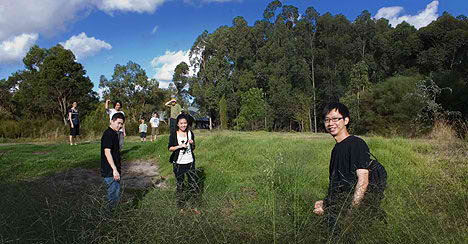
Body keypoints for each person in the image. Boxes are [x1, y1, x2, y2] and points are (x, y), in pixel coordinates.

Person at [313, 102, 383, 243]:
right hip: (336, 211)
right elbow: (338, 184)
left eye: (335, 119)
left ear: (346, 120)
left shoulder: (356, 144)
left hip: (347, 213)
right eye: (327, 120)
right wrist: (326, 203)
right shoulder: (336, 149)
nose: (330, 123)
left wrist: (351, 214)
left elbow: (363, 181)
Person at [168, 113, 200, 214]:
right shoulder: (174, 134)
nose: (183, 125)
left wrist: (192, 143)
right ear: (177, 124)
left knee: (193, 184)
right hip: (179, 163)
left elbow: (194, 147)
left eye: (185, 123)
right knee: (180, 185)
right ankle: (181, 207)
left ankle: (194, 206)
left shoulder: (191, 133)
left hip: (190, 162)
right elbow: (170, 148)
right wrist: (179, 146)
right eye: (181, 123)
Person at [101, 112, 125, 213]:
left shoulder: (115, 134)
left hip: (115, 170)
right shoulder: (108, 134)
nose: (119, 126)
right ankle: (110, 218)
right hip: (110, 171)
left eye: (121, 124)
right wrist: (114, 170)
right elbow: (107, 152)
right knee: (113, 197)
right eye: (118, 123)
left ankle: (113, 216)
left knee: (116, 194)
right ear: (111, 121)